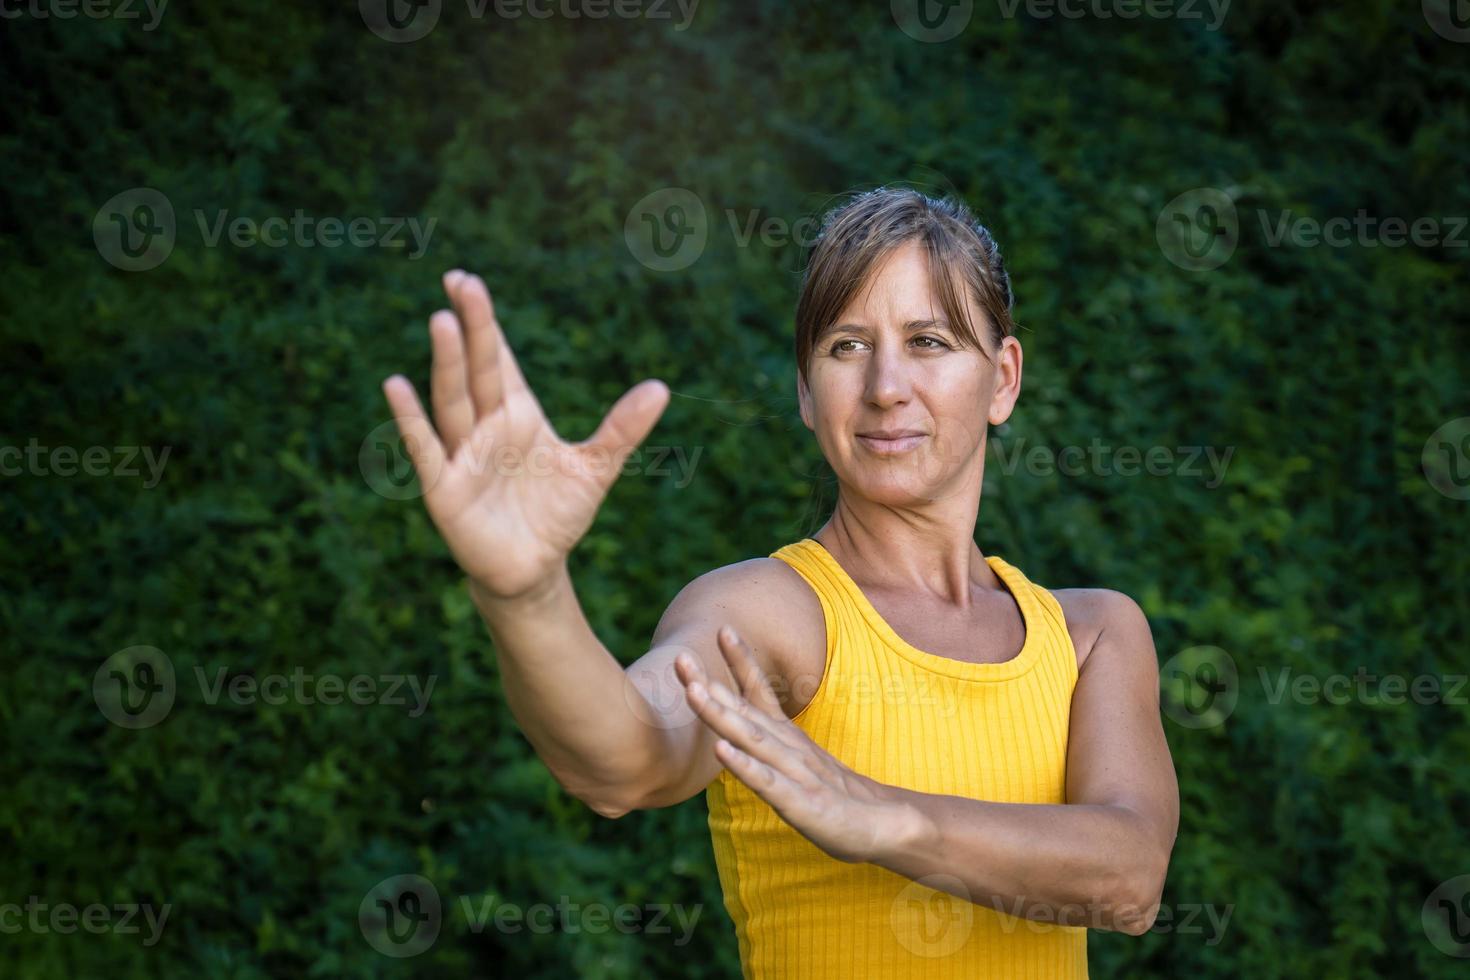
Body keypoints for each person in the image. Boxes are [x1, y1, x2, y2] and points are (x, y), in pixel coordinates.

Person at [380, 186, 1179, 978]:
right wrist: (526, 595)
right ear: (805, 390)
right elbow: (623, 760)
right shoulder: (772, 611)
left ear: (1002, 379)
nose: (885, 387)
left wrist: (886, 819)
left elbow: (1129, 876)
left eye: (928, 341)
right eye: (846, 346)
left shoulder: (1093, 634)